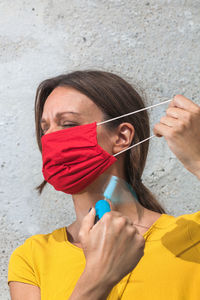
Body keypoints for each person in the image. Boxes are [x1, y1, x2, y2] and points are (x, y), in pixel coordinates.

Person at [7, 70, 200, 300]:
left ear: (121, 137)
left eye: (68, 124)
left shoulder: (193, 236)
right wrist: (97, 279)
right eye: (44, 128)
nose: (50, 139)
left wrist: (198, 159)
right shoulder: (32, 257)